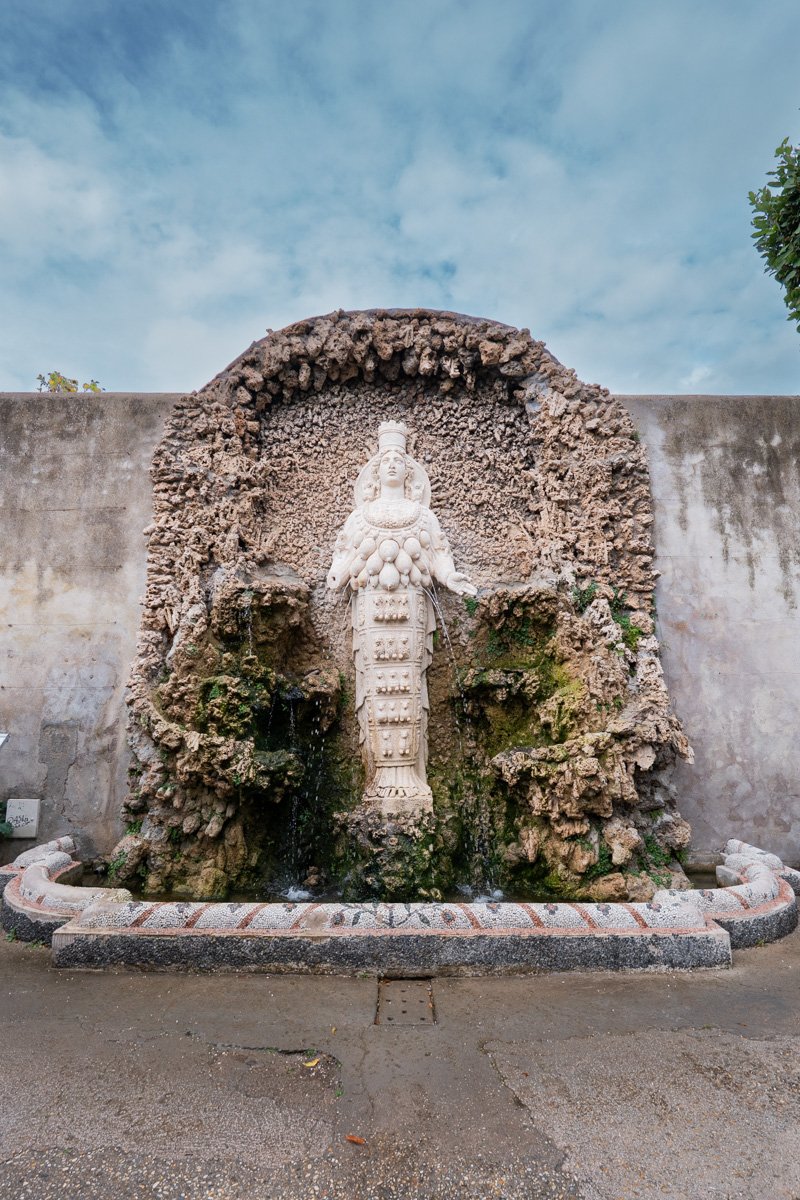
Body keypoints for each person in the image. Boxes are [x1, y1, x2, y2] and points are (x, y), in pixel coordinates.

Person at [327, 421, 476, 817]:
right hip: (371, 608)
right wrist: (336, 573)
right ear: (374, 472)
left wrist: (450, 576)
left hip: (411, 607)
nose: (392, 464)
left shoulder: (422, 516)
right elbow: (345, 555)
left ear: (409, 472)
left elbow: (438, 554)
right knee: (377, 689)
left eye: (399, 459)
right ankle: (380, 777)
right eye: (385, 460)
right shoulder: (361, 516)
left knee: (407, 685)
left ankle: (408, 774)